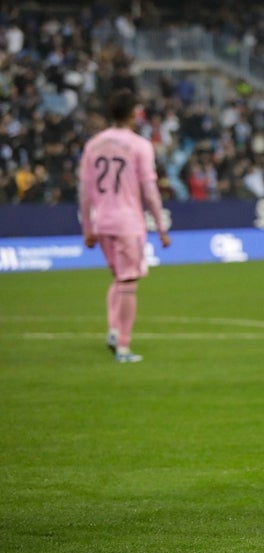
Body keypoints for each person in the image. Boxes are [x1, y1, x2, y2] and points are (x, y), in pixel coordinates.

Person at [79, 89, 171, 364]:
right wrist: (160, 225)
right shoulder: (140, 145)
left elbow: (84, 190)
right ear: (134, 113)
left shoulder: (93, 144)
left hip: (103, 221)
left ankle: (113, 330)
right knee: (129, 282)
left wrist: (87, 225)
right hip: (128, 221)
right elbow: (149, 189)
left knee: (119, 278)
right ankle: (123, 346)